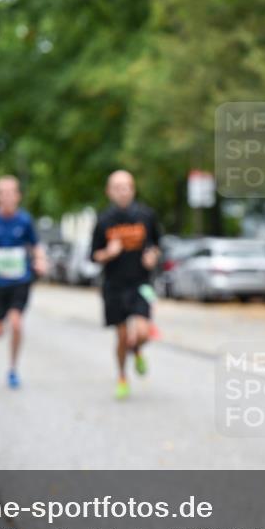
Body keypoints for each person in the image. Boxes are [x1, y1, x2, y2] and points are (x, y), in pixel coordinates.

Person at [0, 175, 47, 389]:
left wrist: (40, 260)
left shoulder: (24, 220)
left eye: (11, 192)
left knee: (16, 323)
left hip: (20, 281)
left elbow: (36, 245)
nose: (7, 197)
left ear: (18, 196)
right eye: (2, 193)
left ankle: (13, 368)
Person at [91, 170, 161, 400]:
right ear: (109, 191)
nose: (123, 191)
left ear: (133, 189)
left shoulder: (146, 215)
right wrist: (108, 253)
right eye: (117, 187)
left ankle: (138, 348)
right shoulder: (103, 220)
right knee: (122, 336)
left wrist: (153, 256)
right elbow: (93, 256)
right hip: (114, 286)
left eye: (127, 186)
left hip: (140, 284)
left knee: (143, 332)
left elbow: (157, 245)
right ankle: (122, 375)